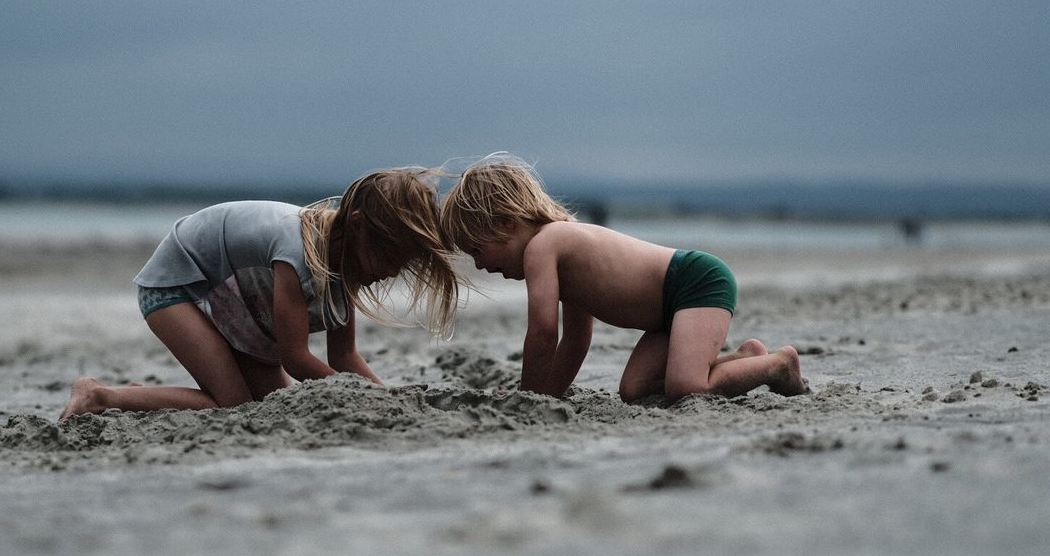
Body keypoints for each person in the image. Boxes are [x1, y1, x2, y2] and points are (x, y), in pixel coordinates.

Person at [60, 168, 458, 419]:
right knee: (231, 406)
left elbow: (344, 355)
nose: (391, 271)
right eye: (389, 256)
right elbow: (297, 357)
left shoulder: (343, 260)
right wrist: (360, 396)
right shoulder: (297, 251)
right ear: (357, 225)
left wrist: (383, 395)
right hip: (175, 285)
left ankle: (145, 398)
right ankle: (100, 395)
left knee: (272, 406)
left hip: (233, 298)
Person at [440, 157, 806, 403]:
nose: (480, 264)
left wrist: (526, 398)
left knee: (686, 387)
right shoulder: (561, 251)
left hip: (695, 282)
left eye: (477, 250)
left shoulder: (544, 246)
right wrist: (545, 398)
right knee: (635, 390)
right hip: (668, 312)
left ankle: (779, 364)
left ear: (505, 223)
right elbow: (576, 338)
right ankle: (746, 359)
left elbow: (543, 333)